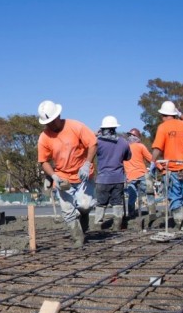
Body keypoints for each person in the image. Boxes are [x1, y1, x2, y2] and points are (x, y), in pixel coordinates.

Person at [36, 100, 97, 246]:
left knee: (85, 205)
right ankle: (78, 238)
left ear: (58, 115)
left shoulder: (75, 126)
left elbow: (93, 143)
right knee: (68, 211)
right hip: (63, 176)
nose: (50, 125)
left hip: (83, 174)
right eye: (47, 123)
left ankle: (83, 216)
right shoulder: (44, 137)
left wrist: (87, 164)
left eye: (52, 121)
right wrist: (53, 176)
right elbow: (43, 161)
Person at [151, 101, 183, 228]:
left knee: (174, 196)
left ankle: (178, 222)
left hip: (171, 168)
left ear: (163, 115)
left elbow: (158, 148)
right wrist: (180, 114)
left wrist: (153, 162)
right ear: (174, 114)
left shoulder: (163, 127)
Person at [93, 116, 131, 229]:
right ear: (115, 128)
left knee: (101, 203)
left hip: (103, 179)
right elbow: (128, 157)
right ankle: (117, 224)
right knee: (117, 202)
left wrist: (95, 135)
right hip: (118, 178)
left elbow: (89, 151)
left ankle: (98, 225)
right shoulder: (123, 142)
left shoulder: (98, 142)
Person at [123, 128, 153, 218]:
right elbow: (151, 159)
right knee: (149, 192)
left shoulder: (124, 147)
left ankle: (131, 214)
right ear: (137, 137)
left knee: (132, 195)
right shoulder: (140, 146)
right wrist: (161, 167)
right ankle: (152, 212)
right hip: (142, 174)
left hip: (129, 176)